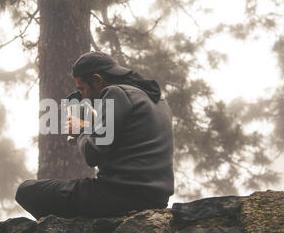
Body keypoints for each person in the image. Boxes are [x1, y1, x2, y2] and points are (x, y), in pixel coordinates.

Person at [15, 51, 174, 220]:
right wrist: (91, 126)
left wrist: (80, 131)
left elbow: (93, 154)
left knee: (27, 191)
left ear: (98, 80)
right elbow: (127, 145)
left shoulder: (115, 93)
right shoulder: (156, 99)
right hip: (156, 198)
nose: (83, 96)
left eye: (82, 88)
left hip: (118, 195)